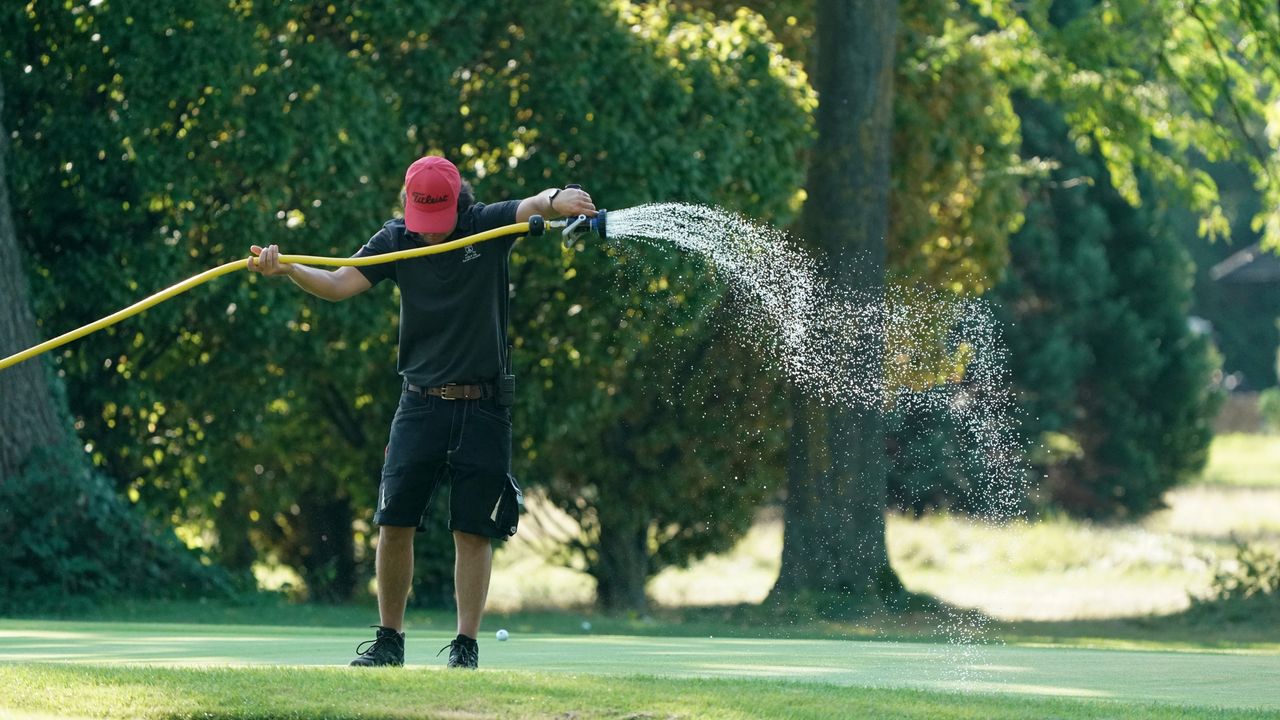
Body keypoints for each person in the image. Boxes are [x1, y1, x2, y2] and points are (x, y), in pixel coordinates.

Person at [247, 155, 597, 669]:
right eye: (423, 222)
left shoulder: (484, 225)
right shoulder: (395, 239)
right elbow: (341, 284)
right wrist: (289, 270)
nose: (432, 234)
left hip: (485, 405)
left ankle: (466, 648)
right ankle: (389, 642)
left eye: (440, 221)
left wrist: (557, 199)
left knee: (473, 530)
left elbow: (531, 204)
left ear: (459, 203)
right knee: (394, 522)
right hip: (420, 404)